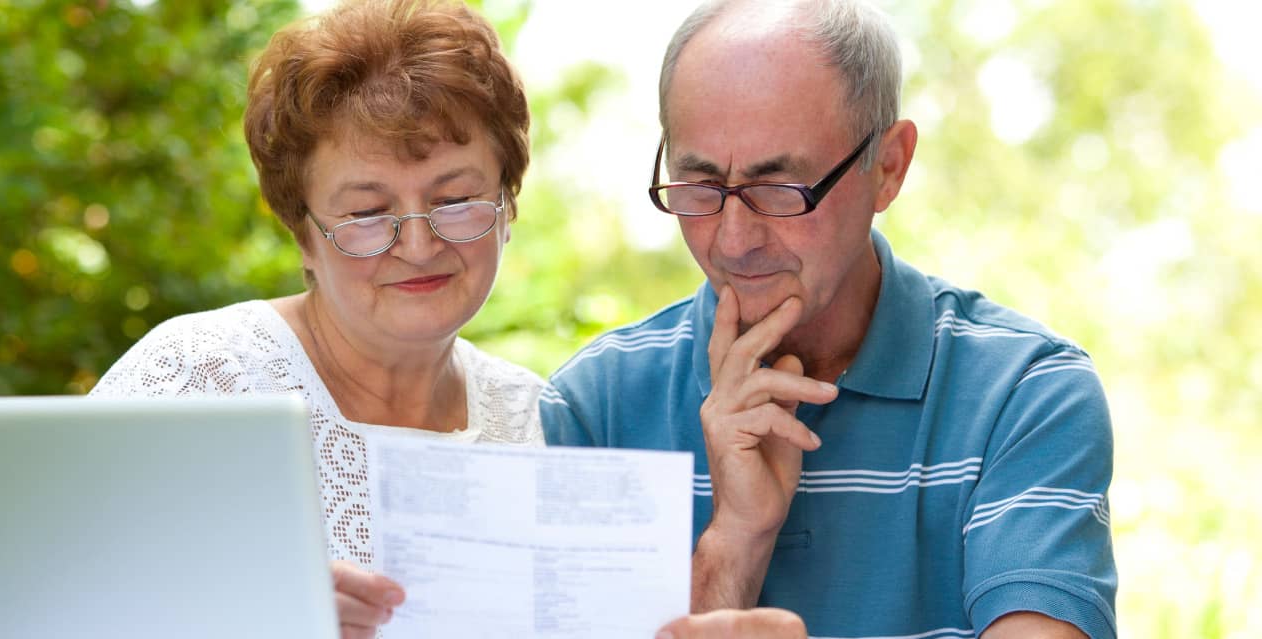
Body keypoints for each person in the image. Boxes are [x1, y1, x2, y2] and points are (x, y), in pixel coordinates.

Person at [91, 1, 800, 637]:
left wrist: (739, 529)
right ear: (303, 235)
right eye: (368, 212)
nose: (420, 243)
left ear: (508, 206)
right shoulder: (196, 374)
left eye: (456, 198)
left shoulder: (540, 423)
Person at [539, 0, 1117, 638]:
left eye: (779, 189)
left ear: (888, 168)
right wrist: (735, 537)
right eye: (700, 185)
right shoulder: (593, 408)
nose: (732, 241)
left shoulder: (1024, 394)